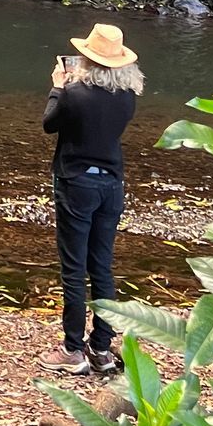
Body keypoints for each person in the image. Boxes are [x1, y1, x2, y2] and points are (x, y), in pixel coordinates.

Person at [40, 21, 144, 375]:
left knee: (73, 270)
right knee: (102, 267)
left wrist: (57, 87)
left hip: (76, 184)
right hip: (112, 185)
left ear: (87, 59)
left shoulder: (74, 94)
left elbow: (49, 123)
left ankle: (73, 350)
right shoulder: (127, 97)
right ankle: (100, 347)